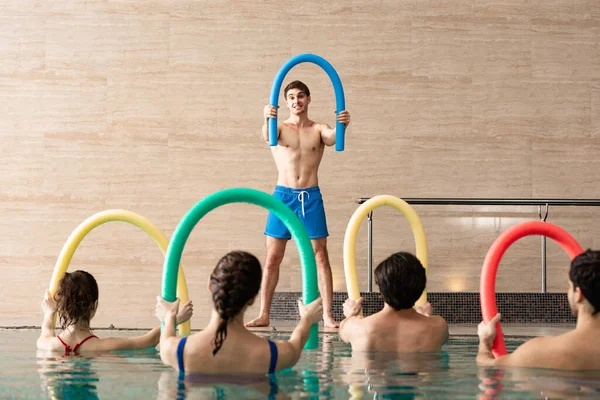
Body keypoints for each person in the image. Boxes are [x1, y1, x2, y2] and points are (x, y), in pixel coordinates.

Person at [246, 80, 351, 328]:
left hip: (310, 197)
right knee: (272, 257)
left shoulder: (319, 128)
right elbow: (267, 136)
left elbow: (333, 138)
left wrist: (342, 123)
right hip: (282, 197)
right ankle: (264, 314)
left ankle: (327, 315)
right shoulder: (279, 127)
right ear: (286, 102)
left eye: (300, 96)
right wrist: (266, 118)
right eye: (291, 97)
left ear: (308, 99)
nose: (296, 101)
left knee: (321, 256)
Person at [155, 250, 323, 374]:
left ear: (210, 286)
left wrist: (170, 317)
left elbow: (165, 339)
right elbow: (297, 342)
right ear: (253, 297)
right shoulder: (276, 353)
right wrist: (307, 319)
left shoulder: (176, 350)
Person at [477, 249, 600, 370]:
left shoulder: (539, 352)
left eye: (569, 286)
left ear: (578, 294)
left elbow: (487, 366)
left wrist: (485, 341)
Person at [37, 270, 193, 355]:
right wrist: (175, 319)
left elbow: (47, 331)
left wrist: (50, 313)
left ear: (61, 307)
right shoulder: (104, 346)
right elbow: (149, 340)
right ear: (94, 305)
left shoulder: (48, 345)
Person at [339, 252, 449, 352]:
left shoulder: (359, 327)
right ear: (421, 289)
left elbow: (342, 333)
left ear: (381, 290)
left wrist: (351, 315)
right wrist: (424, 315)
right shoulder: (438, 326)